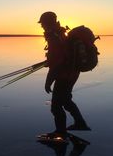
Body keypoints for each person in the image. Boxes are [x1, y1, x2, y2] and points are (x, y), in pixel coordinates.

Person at [38, 11, 90, 140]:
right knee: (65, 100)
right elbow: (60, 57)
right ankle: (80, 123)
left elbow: (57, 63)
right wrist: (49, 61)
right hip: (72, 73)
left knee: (56, 105)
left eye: (43, 23)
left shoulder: (54, 36)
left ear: (48, 22)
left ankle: (60, 133)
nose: (41, 26)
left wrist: (48, 81)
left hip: (64, 75)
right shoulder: (60, 33)